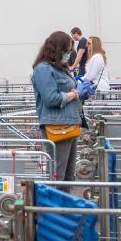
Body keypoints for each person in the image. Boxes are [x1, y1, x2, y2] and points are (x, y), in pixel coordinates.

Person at [31, 31, 94, 184]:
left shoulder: (61, 68)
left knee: (68, 175)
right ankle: (53, 206)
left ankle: (64, 206)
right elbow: (51, 98)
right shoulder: (43, 69)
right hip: (57, 125)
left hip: (71, 123)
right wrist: (74, 93)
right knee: (57, 175)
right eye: (67, 50)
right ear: (58, 49)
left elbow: (69, 93)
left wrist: (83, 93)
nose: (69, 53)